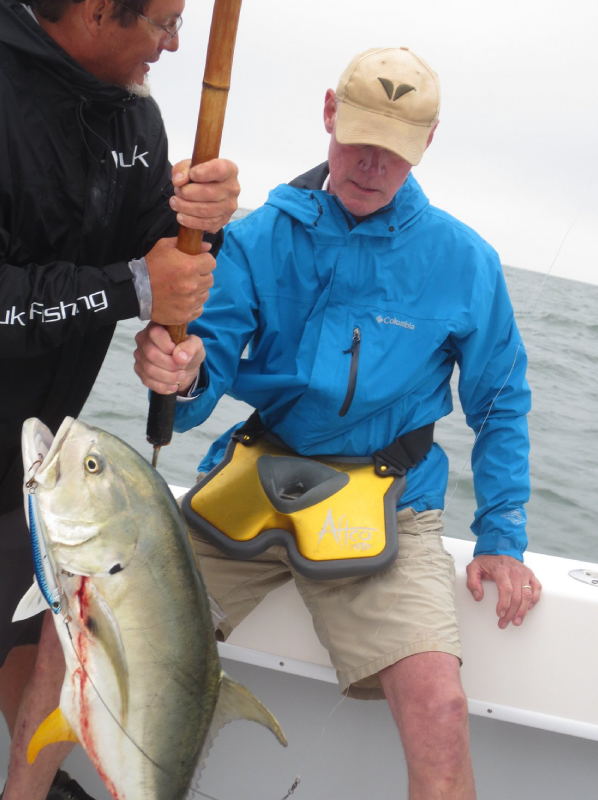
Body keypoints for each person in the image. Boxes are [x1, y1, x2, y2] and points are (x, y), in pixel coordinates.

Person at [134, 46, 543, 799]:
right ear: (328, 112)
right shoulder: (259, 235)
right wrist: (180, 372)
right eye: (358, 138)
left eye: (393, 150)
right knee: (110, 636)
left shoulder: (466, 261)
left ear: (427, 144)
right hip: (254, 479)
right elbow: (208, 360)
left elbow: (499, 404)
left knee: (441, 705)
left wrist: (502, 537)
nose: (370, 164)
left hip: (392, 498)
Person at [0, 1, 240, 799]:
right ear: (101, 11)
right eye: (165, 23)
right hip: (35, 451)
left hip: (34, 464)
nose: (175, 45)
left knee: (54, 638)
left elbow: (158, 254)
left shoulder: (135, 121)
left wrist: (200, 223)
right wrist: (129, 286)